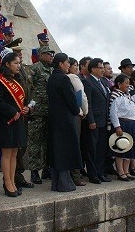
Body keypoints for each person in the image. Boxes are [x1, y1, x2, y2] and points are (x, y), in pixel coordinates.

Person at [0, 50, 29, 197]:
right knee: (7, 153)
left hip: (18, 120)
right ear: (7, 64)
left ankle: (12, 181)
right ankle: (7, 184)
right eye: (15, 63)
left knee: (14, 153)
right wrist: (12, 111)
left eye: (19, 63)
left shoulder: (17, 80)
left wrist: (25, 108)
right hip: (6, 121)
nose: (18, 66)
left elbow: (22, 100)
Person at [47, 53, 82, 192]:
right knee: (65, 150)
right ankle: (64, 184)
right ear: (61, 64)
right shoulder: (64, 79)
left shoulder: (52, 78)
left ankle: (56, 183)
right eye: (67, 62)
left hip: (54, 118)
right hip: (65, 119)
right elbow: (72, 101)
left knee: (56, 150)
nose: (69, 65)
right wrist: (76, 110)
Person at [109, 74, 135, 181]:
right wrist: (117, 126)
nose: (128, 85)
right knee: (121, 149)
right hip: (122, 124)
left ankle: (126, 171)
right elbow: (113, 113)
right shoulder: (115, 95)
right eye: (126, 83)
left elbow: (134, 110)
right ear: (119, 84)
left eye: (128, 83)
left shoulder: (128, 96)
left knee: (130, 149)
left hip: (132, 124)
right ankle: (120, 172)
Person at [82, 58, 111, 183]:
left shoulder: (103, 83)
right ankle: (92, 174)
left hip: (104, 121)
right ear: (93, 69)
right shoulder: (88, 82)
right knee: (92, 149)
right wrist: (91, 120)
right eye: (100, 68)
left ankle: (100, 173)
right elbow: (88, 102)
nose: (103, 70)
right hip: (94, 121)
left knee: (101, 149)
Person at [28, 46, 54, 184]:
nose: (51, 56)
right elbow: (28, 87)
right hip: (37, 112)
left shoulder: (52, 69)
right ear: (41, 55)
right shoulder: (35, 68)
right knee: (35, 143)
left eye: (52, 54)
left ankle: (46, 168)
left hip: (49, 111)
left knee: (47, 142)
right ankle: (34, 171)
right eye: (48, 54)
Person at [11, 45, 36, 189]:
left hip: (26, 113)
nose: (19, 55)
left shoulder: (25, 69)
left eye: (20, 53)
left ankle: (18, 175)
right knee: (15, 147)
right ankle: (11, 177)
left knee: (23, 146)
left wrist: (30, 106)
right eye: (16, 53)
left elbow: (31, 89)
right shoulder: (8, 73)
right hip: (15, 114)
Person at [67, 57, 88, 186]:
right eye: (74, 65)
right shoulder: (73, 78)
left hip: (66, 115)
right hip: (76, 114)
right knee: (75, 145)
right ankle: (75, 175)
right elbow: (82, 95)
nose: (77, 68)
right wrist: (85, 111)